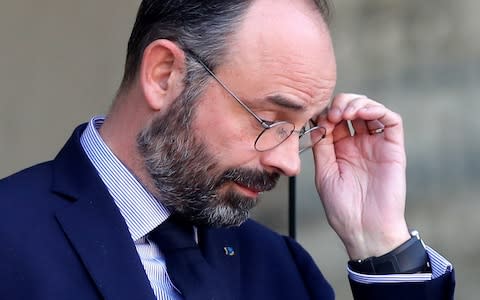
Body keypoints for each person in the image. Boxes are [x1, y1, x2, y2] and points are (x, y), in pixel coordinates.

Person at [0, 0, 455, 299]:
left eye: (302, 129)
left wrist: (378, 241)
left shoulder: (282, 270)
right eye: (270, 120)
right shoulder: (10, 238)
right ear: (164, 75)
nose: (288, 163)